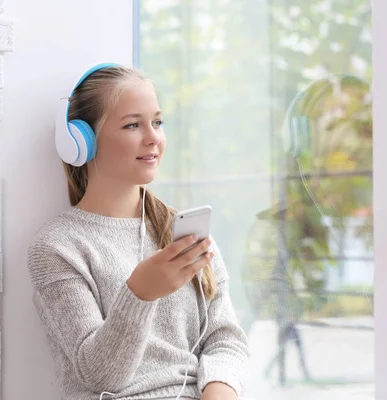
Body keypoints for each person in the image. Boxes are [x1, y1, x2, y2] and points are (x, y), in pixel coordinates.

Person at [26, 63, 250, 400]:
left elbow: (226, 338)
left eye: (157, 123)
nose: (153, 138)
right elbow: (100, 375)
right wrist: (140, 293)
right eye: (133, 125)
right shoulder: (58, 246)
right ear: (81, 142)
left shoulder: (181, 231)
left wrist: (218, 394)